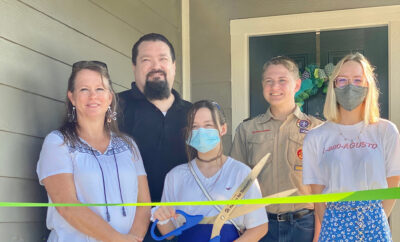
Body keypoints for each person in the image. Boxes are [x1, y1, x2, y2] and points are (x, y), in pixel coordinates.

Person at [37, 61, 151, 242]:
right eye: (84, 89)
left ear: (110, 97)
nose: (93, 96)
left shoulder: (128, 145)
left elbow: (144, 204)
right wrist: (117, 239)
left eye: (99, 89)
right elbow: (67, 206)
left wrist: (134, 238)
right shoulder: (58, 142)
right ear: (72, 97)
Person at [303, 52, 400, 241]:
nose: (350, 86)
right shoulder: (316, 137)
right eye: (342, 80)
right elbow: (318, 195)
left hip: (374, 223)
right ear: (333, 86)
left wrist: (375, 219)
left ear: (367, 86)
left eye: (357, 80)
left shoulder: (386, 131)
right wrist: (335, 224)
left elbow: (393, 183)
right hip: (334, 223)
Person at [230, 56, 323, 241]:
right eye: (269, 81)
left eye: (282, 81)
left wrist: (319, 234)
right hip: (261, 225)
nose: (275, 87)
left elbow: (325, 188)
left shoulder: (317, 129)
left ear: (297, 85)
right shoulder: (247, 130)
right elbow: (236, 182)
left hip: (305, 225)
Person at [153, 100, 268, 242]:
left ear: (223, 129)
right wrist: (161, 218)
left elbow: (259, 226)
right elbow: (170, 234)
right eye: (194, 126)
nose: (201, 131)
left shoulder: (242, 173)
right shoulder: (175, 176)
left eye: (208, 125)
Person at [118, 33, 192, 204]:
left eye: (163, 59)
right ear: (134, 66)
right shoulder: (113, 109)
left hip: (184, 219)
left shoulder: (194, 114)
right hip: (129, 220)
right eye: (146, 60)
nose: (156, 66)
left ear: (174, 66)